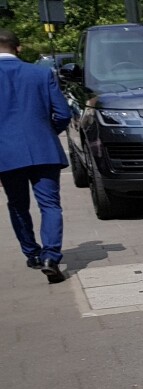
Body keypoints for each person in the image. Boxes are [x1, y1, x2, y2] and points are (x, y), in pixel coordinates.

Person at [0, 28, 70, 283]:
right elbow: (63, 113)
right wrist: (47, 134)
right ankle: (51, 256)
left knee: (17, 204)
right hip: (44, 150)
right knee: (50, 205)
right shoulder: (41, 73)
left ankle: (32, 253)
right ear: (18, 48)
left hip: (5, 153)